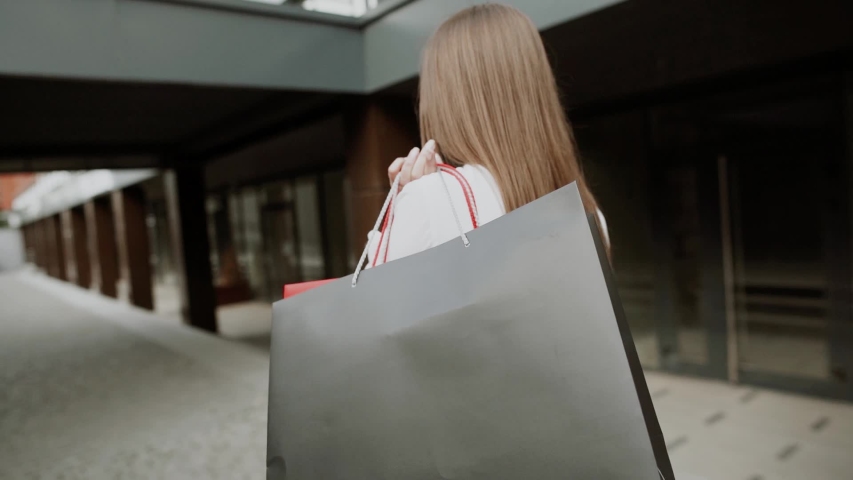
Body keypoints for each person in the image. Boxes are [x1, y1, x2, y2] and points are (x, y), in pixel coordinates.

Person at [367, 3, 609, 267]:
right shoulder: (589, 213)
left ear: (445, 100)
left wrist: (404, 206)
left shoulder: (429, 199)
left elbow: (379, 303)